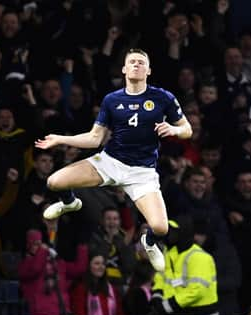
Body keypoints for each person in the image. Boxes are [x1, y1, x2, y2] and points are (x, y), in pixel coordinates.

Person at [35, 49, 193, 273]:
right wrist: (60, 138)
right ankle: (70, 203)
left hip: (142, 172)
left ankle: (148, 243)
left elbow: (188, 130)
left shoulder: (163, 97)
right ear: (124, 69)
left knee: (161, 227)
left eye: (141, 62)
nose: (136, 65)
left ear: (148, 70)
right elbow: (94, 138)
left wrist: (174, 129)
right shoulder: (112, 100)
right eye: (132, 62)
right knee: (54, 182)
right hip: (110, 163)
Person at [149, 215, 219, 315]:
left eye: (172, 231)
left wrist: (166, 306)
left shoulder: (198, 256)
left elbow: (197, 290)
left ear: (183, 232)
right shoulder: (168, 254)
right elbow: (161, 278)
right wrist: (157, 296)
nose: (168, 234)